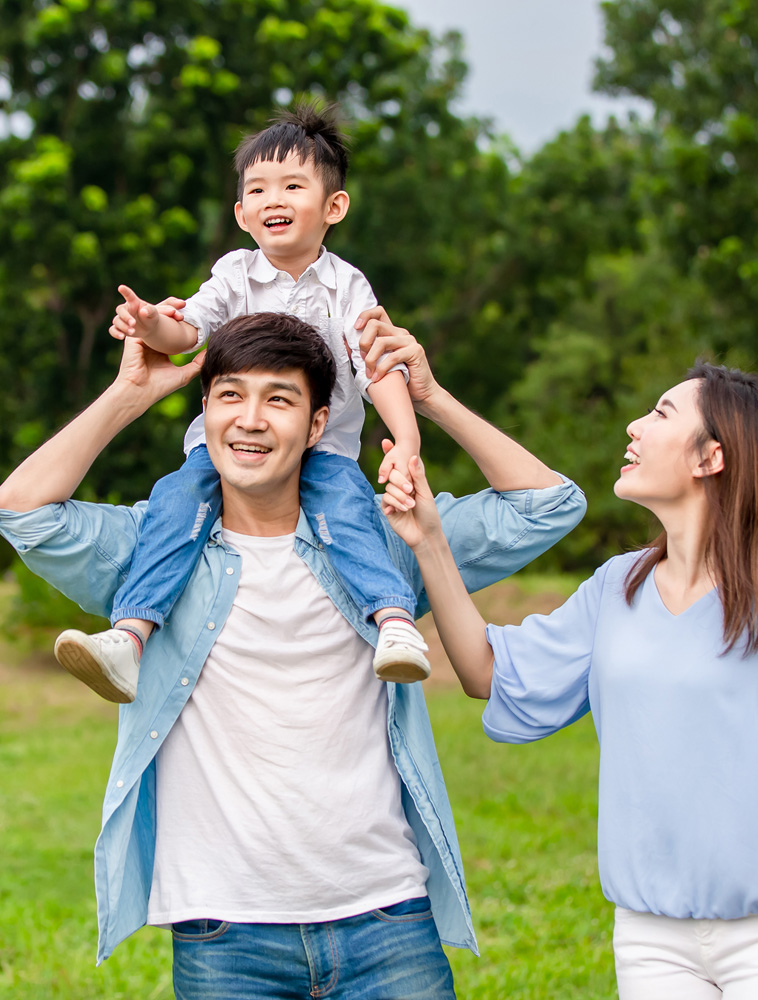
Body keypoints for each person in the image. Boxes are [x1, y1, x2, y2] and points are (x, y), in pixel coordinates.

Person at [0, 312, 586, 997]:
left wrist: (424, 398)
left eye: (278, 399)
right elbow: (22, 511)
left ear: (315, 426)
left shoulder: (378, 542)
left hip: (387, 914)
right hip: (223, 933)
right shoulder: (152, 553)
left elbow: (547, 506)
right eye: (230, 396)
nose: (250, 420)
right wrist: (130, 394)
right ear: (205, 411)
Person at [383, 362, 758, 1000]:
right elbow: (487, 673)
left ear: (711, 457)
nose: (634, 425)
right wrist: (430, 542)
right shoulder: (618, 586)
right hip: (649, 939)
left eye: (662, 414)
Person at [53, 101, 431, 702]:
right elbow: (189, 335)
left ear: (334, 207)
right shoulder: (234, 274)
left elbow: (375, 362)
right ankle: (128, 637)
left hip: (322, 447)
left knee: (351, 513)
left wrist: (405, 439)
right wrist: (152, 325)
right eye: (257, 189)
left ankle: (395, 623)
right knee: (177, 501)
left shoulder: (348, 284)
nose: (272, 198)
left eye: (292, 185)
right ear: (240, 213)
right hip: (225, 448)